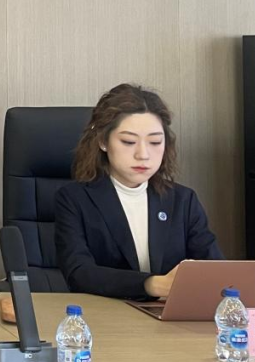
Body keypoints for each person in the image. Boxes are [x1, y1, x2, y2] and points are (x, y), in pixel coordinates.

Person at [55, 83, 222, 300]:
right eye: (129, 142)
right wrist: (153, 285)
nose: (143, 154)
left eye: (155, 142)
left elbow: (214, 269)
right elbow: (79, 273)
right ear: (103, 141)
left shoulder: (182, 200)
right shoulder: (74, 199)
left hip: (171, 315)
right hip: (105, 313)